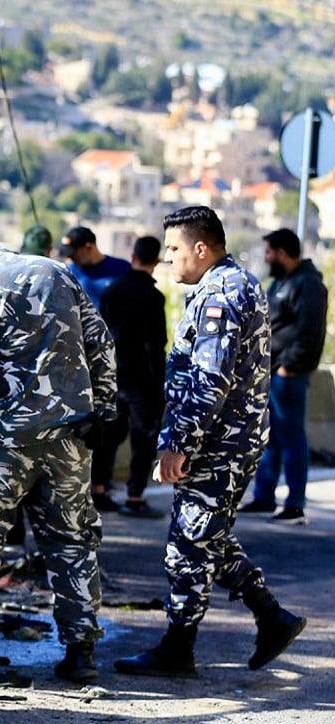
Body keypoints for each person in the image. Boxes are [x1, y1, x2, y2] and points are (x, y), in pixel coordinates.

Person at [0, 213, 115, 686]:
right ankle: (81, 653)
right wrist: (101, 411)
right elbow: (102, 346)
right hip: (67, 439)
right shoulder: (57, 273)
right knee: (72, 543)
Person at [115, 205, 306, 678]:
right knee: (208, 536)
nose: (169, 260)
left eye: (175, 250)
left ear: (201, 249)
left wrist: (177, 443)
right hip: (229, 441)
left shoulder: (220, 294)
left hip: (218, 444)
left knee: (189, 545)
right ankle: (271, 616)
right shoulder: (237, 282)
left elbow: (209, 379)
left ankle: (178, 648)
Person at [239, 228, 329, 524]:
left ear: (281, 252)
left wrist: (289, 365)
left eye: (268, 252)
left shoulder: (307, 284)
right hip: (269, 371)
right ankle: (264, 497)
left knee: (291, 437)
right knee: (270, 437)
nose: (265, 258)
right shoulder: (282, 282)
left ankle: (295, 504)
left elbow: (310, 331)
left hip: (287, 373)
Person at [59, 225, 133, 512]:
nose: (72, 258)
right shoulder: (68, 272)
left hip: (112, 363)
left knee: (109, 426)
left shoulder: (119, 270)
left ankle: (101, 487)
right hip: (76, 362)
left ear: (89, 247)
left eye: (74, 252)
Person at [96, 236, 168, 518]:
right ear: (156, 261)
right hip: (142, 381)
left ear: (133, 255)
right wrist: (160, 383)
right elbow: (155, 344)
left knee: (107, 438)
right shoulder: (153, 297)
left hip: (113, 376)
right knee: (143, 440)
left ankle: (99, 490)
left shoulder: (112, 291)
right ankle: (134, 496)